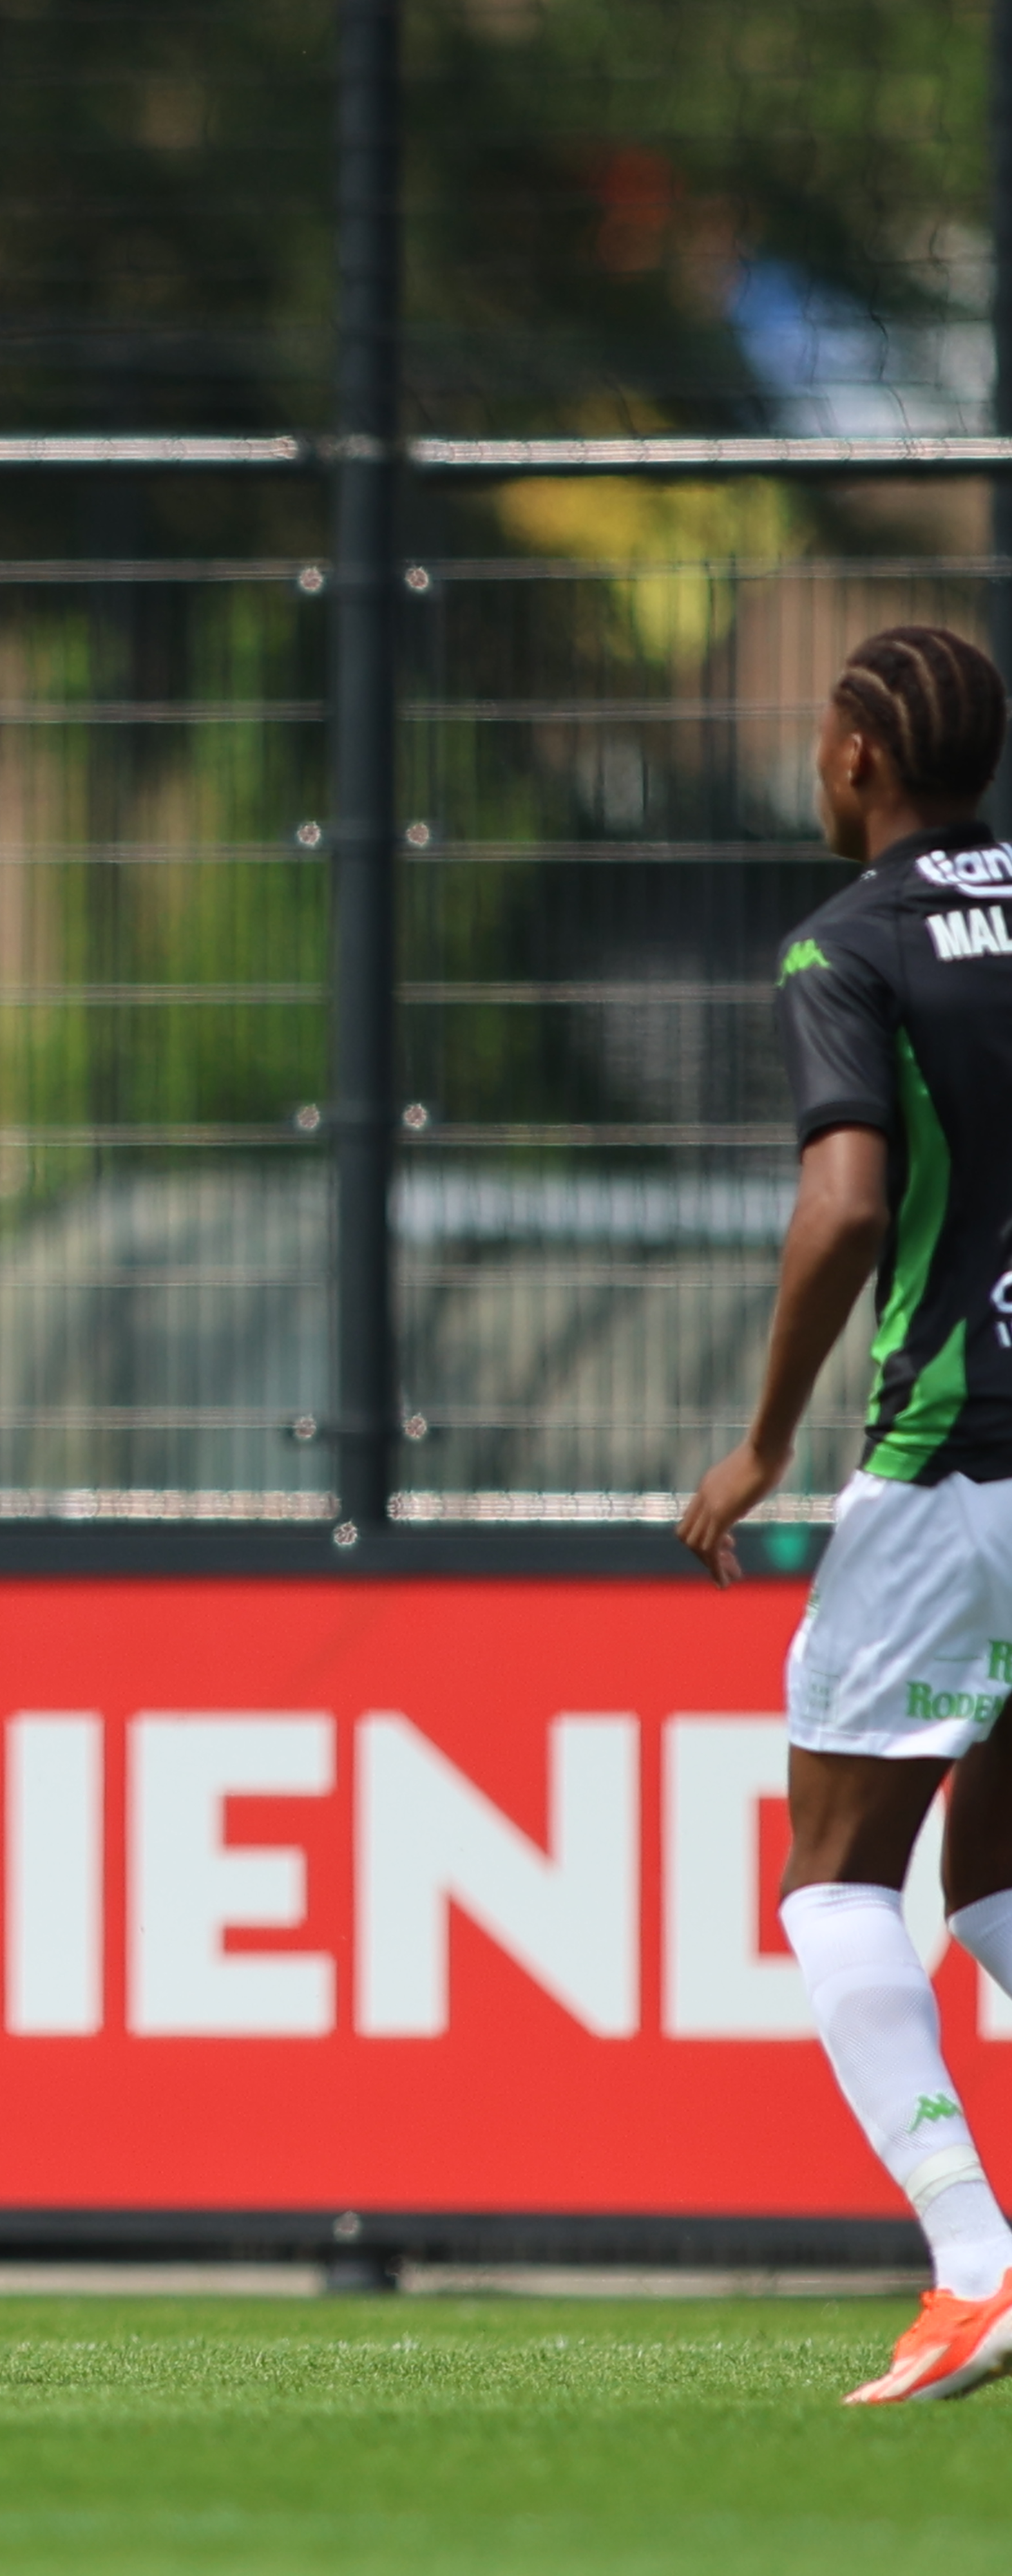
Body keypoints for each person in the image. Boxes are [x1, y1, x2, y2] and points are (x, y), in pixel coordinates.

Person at [679, 623, 1012, 2406]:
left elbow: (848, 1211)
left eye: (825, 737)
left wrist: (758, 1443)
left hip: (961, 1451)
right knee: (1002, 1878)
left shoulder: (853, 941)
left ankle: (974, 2262)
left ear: (864, 755)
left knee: (833, 1882)